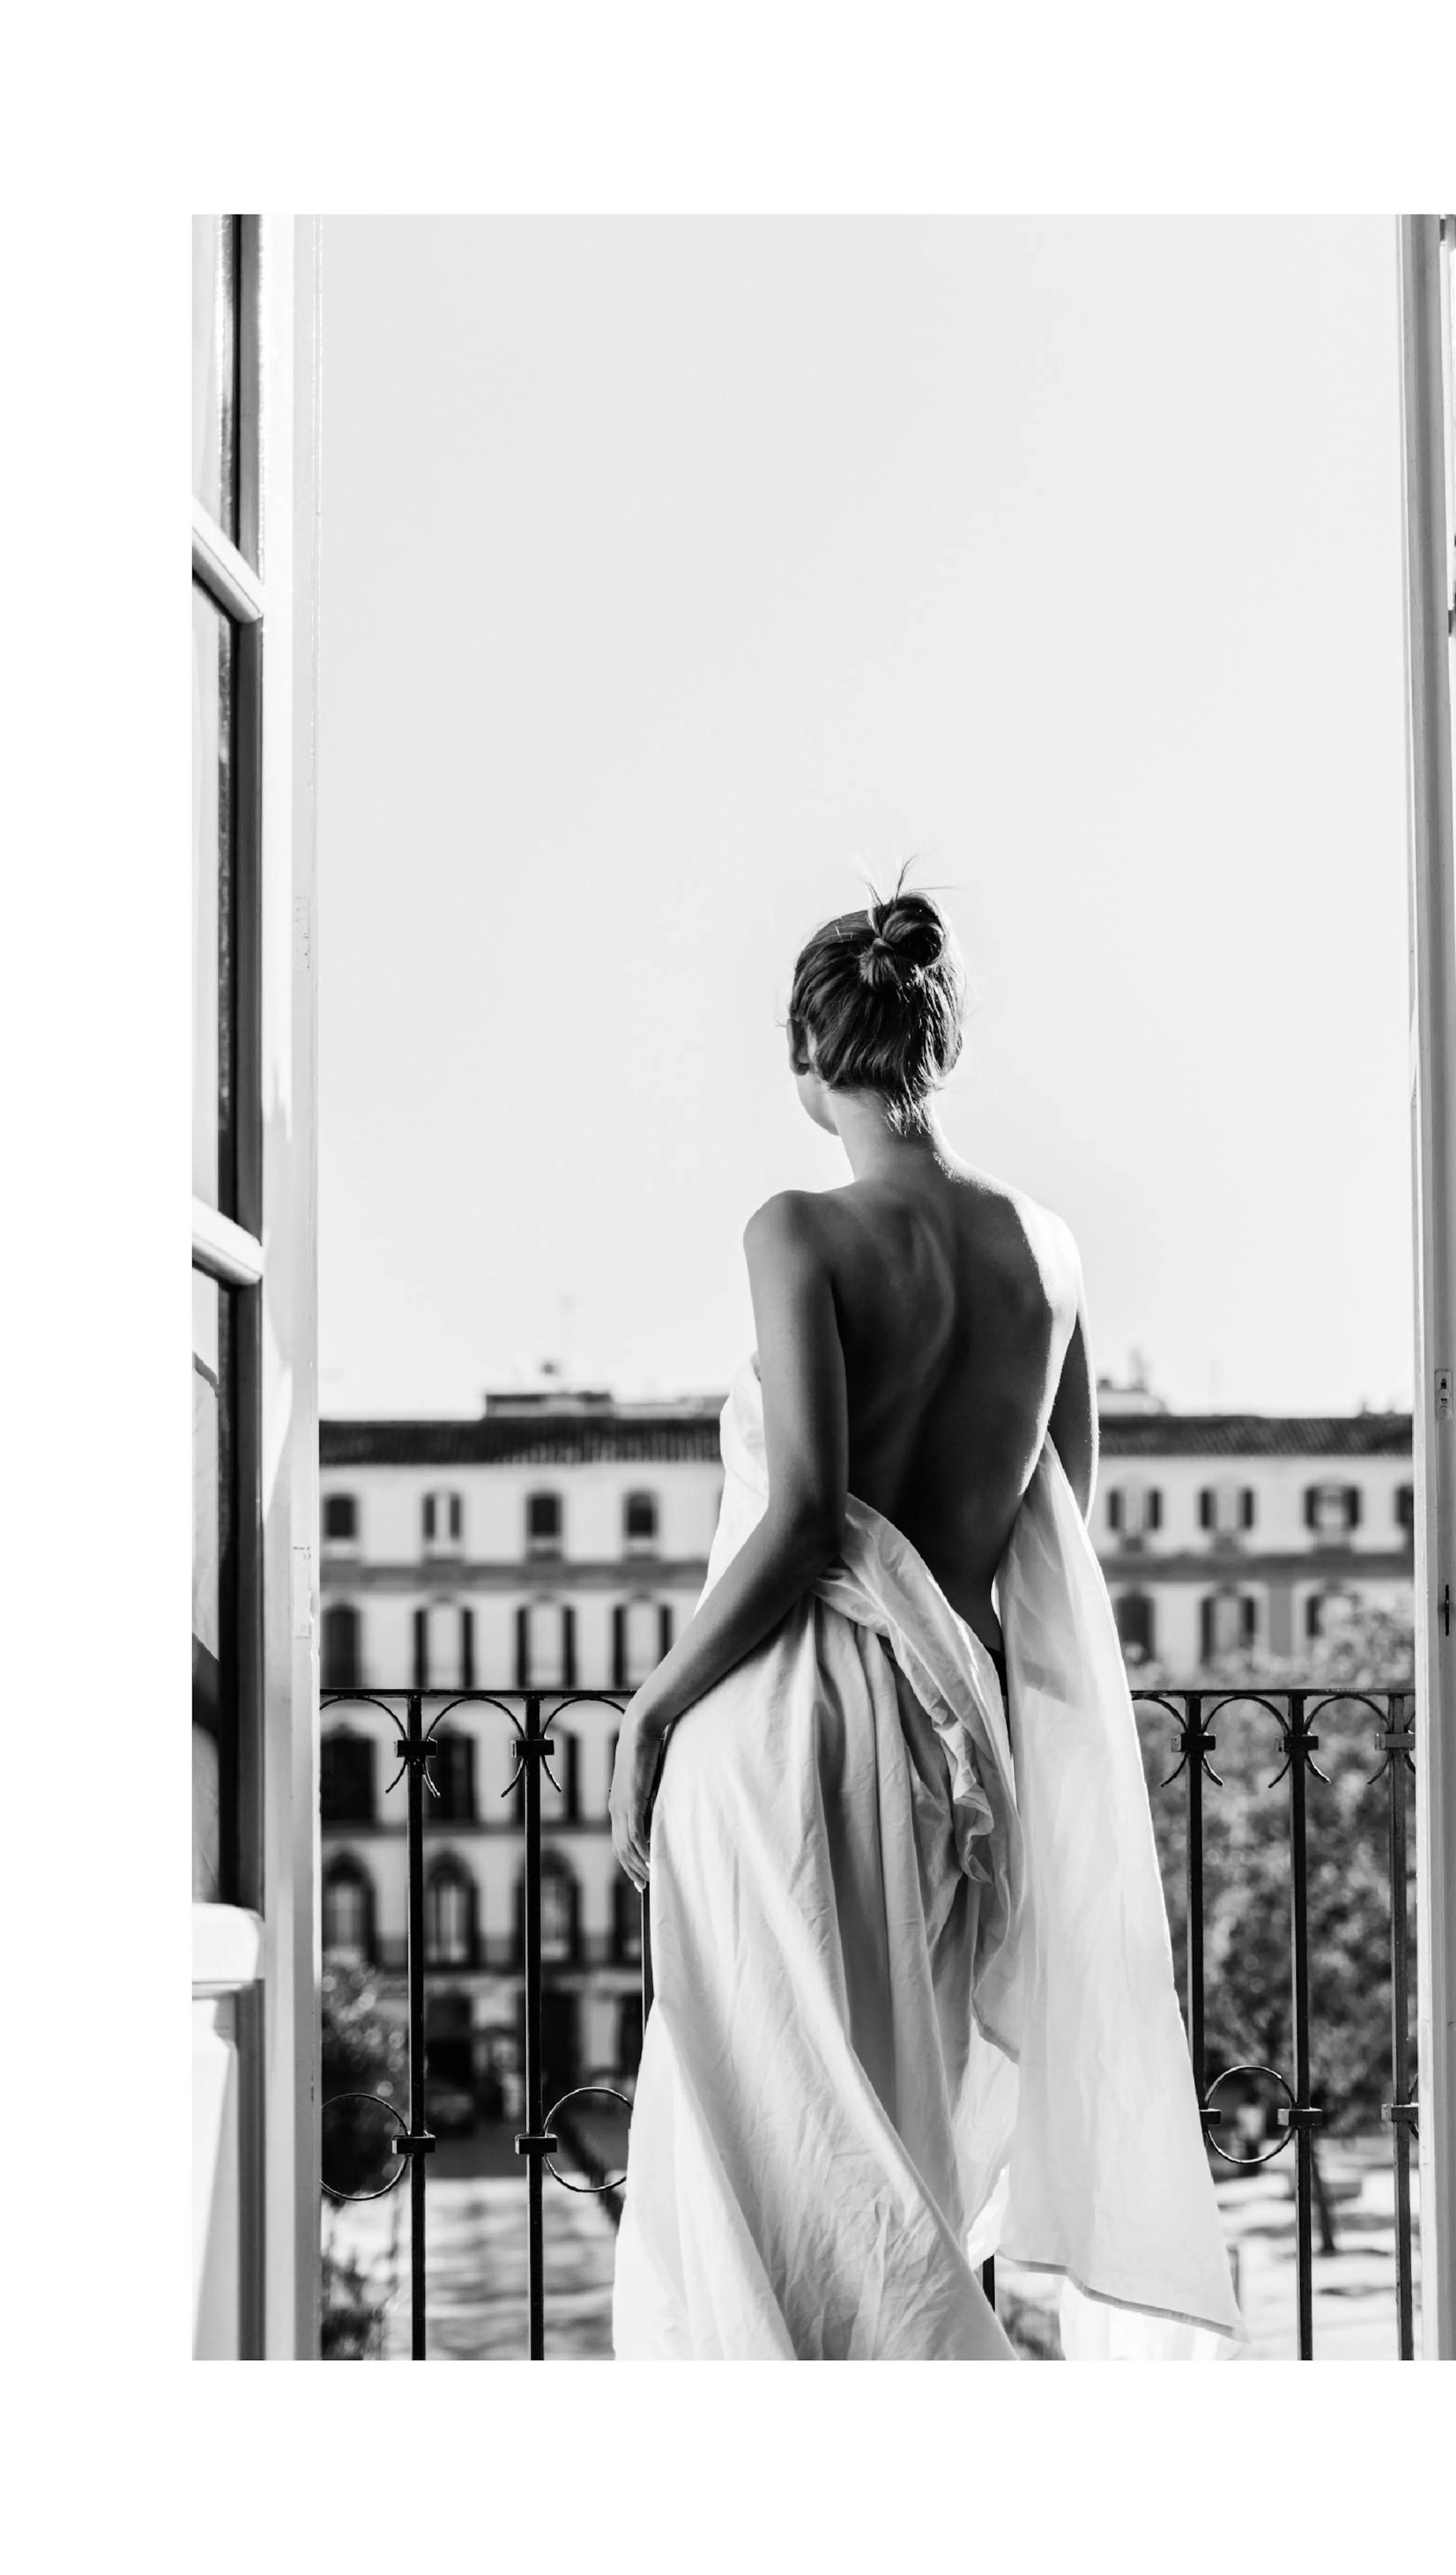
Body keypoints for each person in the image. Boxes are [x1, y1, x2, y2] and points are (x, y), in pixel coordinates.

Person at [607, 882, 1241, 2360]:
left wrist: (654, 1704)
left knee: (776, 2147)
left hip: (789, 1729)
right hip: (956, 1743)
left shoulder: (796, 1232)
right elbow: (1059, 1518)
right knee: (897, 2137)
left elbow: (805, 1516)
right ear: (937, 1047)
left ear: (806, 1056)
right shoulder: (1050, 1254)